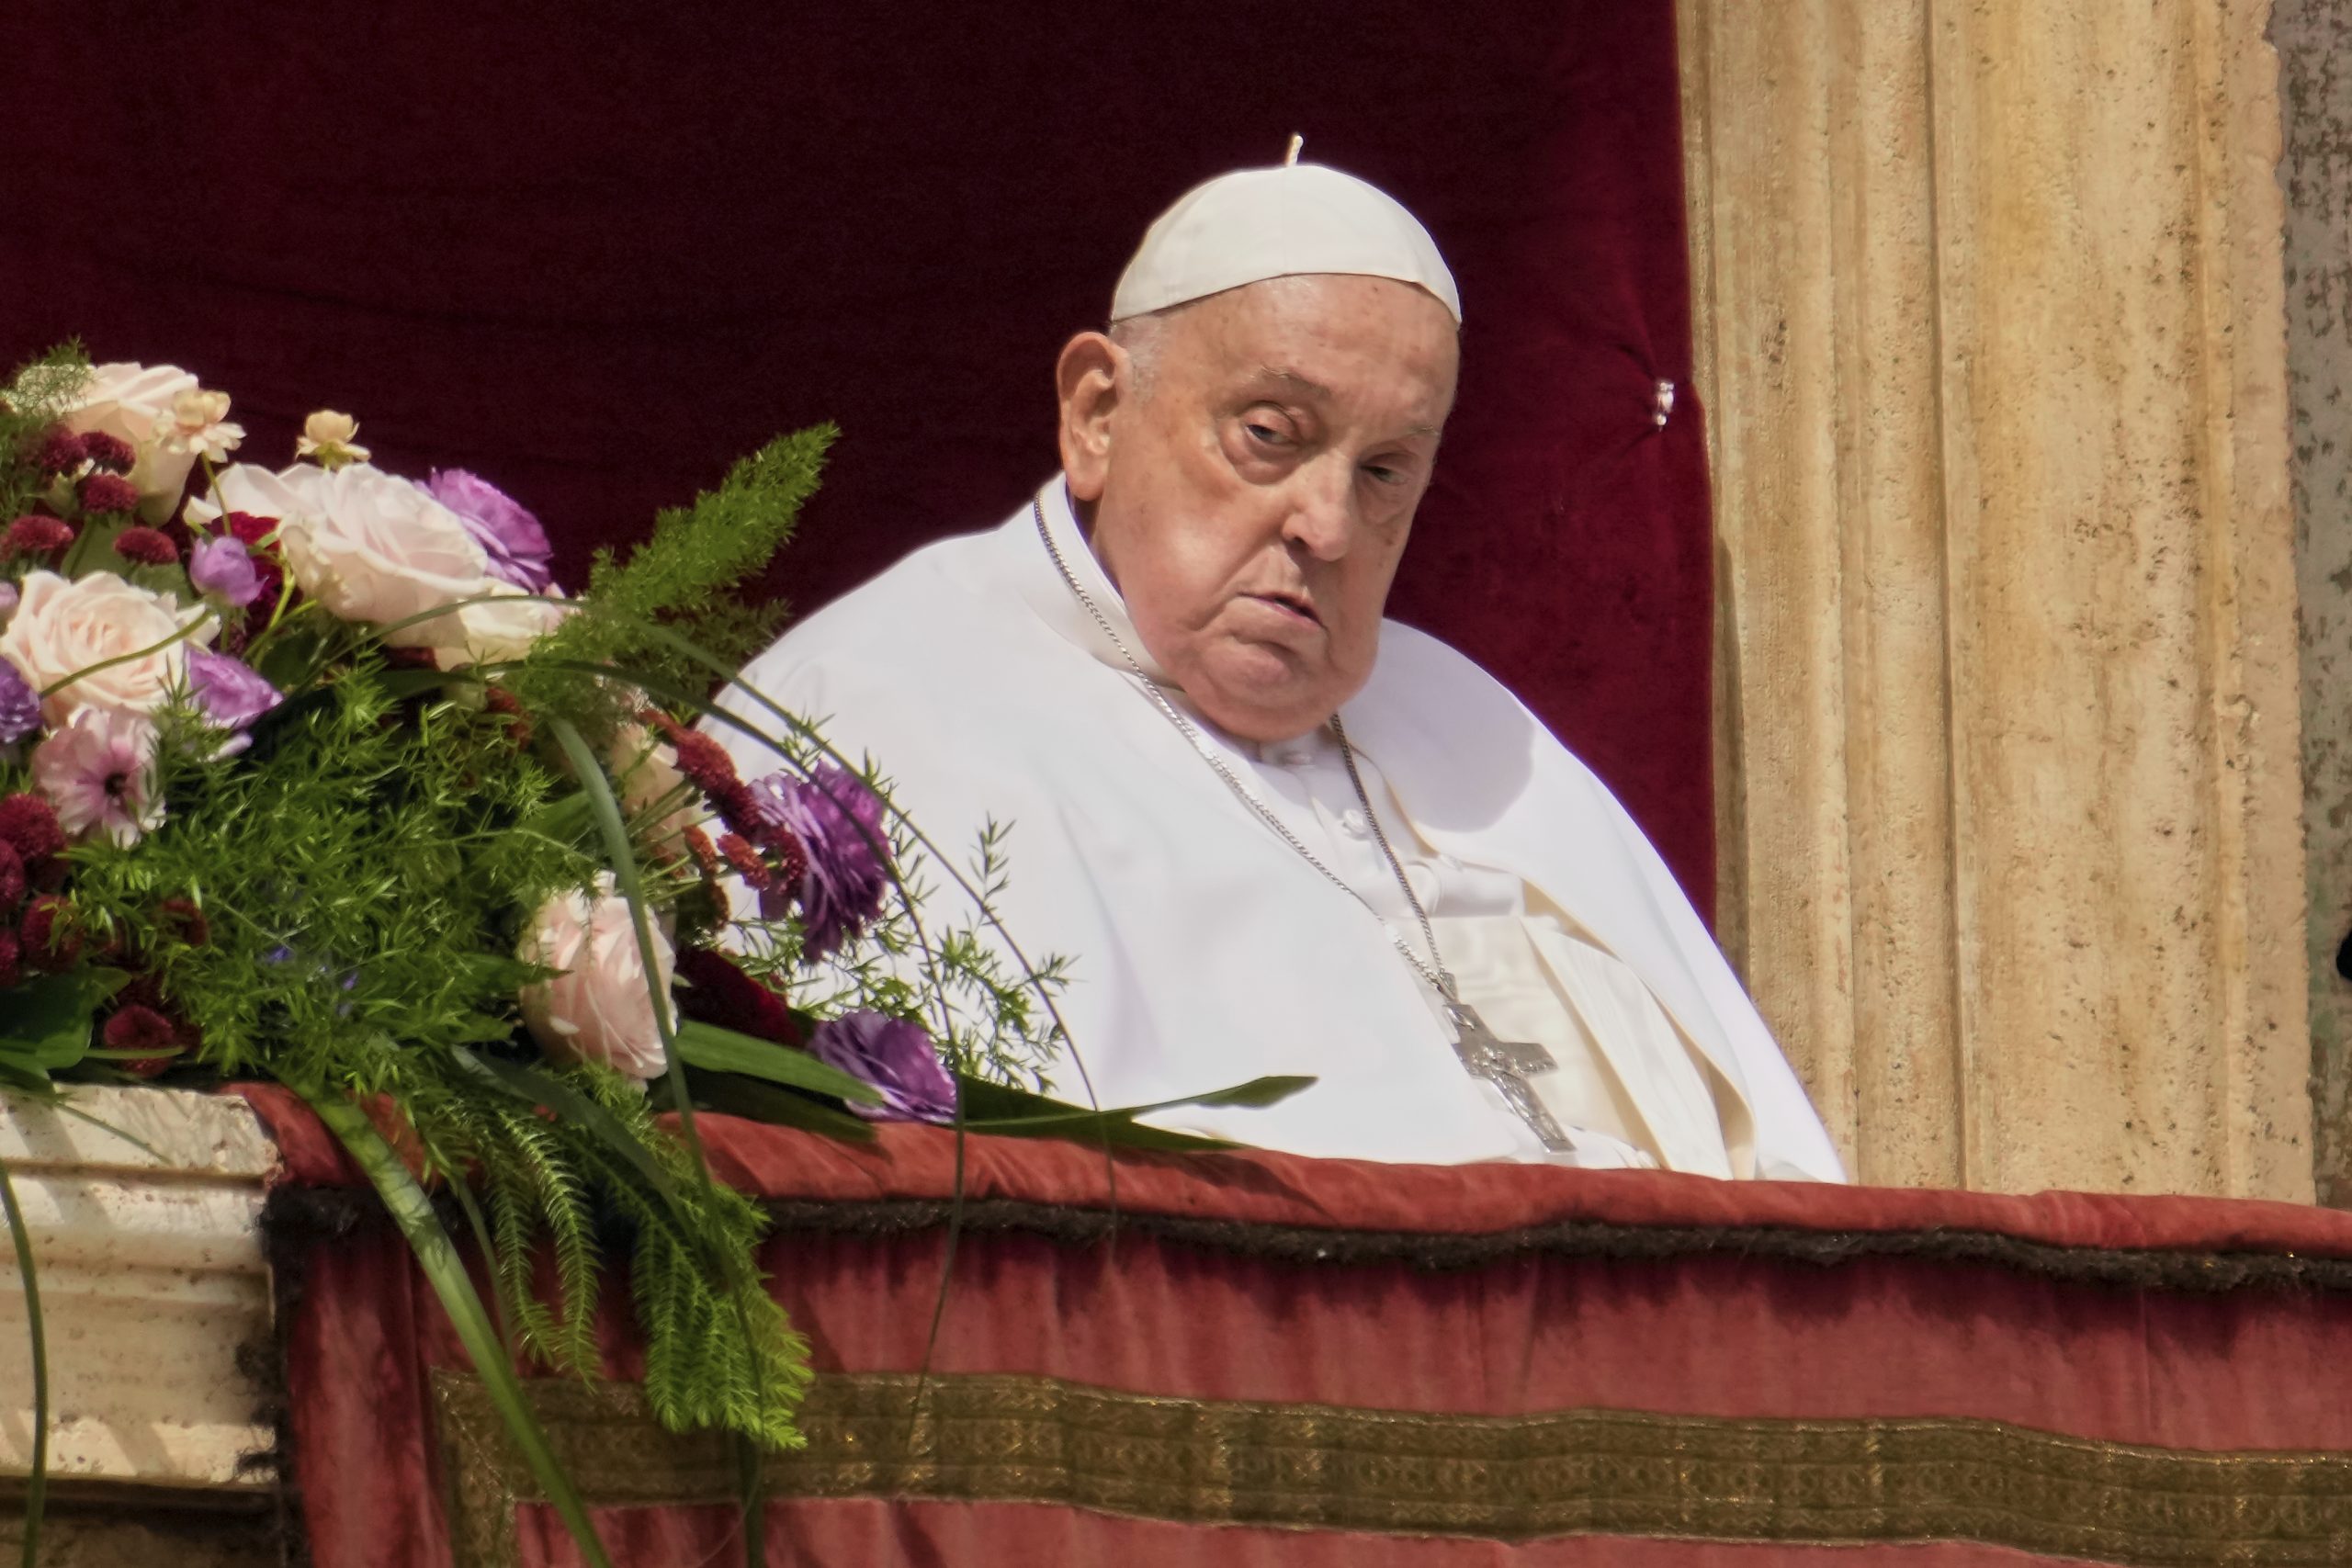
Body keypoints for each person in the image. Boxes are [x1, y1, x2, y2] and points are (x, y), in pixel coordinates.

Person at [717, 153, 1844, 1180]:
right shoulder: (873, 714)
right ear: (1098, 415)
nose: (1329, 526)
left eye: (1386, 470)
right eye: (1271, 433)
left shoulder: (1466, 723)